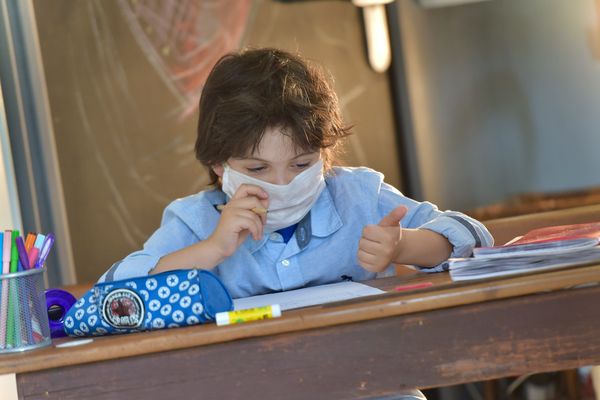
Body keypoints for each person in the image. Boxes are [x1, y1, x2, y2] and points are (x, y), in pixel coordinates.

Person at [99, 48, 493, 299]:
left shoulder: (357, 195)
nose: (283, 183)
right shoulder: (195, 221)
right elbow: (114, 295)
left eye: (301, 164)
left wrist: (405, 246)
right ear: (219, 166)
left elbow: (474, 239)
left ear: (325, 155)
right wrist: (212, 250)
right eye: (257, 169)